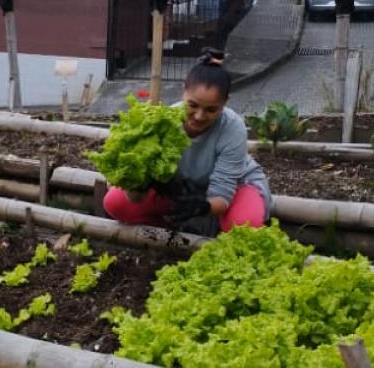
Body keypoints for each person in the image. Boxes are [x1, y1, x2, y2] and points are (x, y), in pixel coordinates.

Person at [103, 49, 271, 236]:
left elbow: (222, 195)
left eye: (211, 110)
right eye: (193, 105)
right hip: (182, 189)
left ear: (225, 103)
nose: (199, 116)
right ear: (183, 93)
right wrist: (136, 183)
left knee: (245, 224)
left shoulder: (232, 128)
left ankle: (219, 228)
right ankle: (168, 231)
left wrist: (203, 207)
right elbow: (136, 196)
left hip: (235, 187)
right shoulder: (163, 121)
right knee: (116, 203)